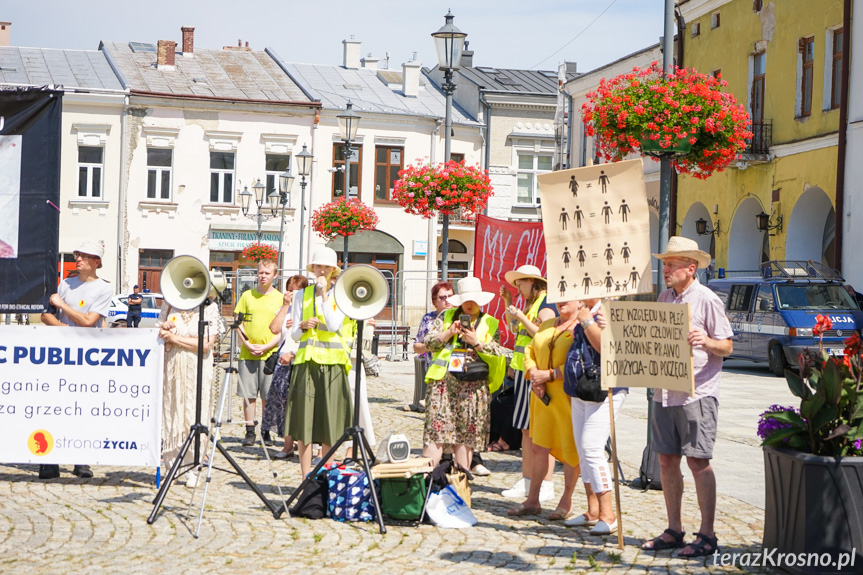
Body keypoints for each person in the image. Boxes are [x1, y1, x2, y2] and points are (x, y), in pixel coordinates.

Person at [641, 236, 733, 558]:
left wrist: (706, 341)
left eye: (671, 264)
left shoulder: (707, 299)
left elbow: (727, 346)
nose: (665, 269)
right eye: (664, 263)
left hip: (698, 394)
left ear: (690, 268)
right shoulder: (664, 297)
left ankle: (707, 534)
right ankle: (674, 529)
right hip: (665, 393)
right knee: (666, 459)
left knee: (698, 461)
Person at [38, 240, 113, 480]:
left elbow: (90, 322)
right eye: (77, 255)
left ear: (96, 262)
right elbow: (46, 317)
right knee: (55, 407)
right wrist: (65, 327)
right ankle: (49, 460)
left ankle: (81, 459)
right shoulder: (65, 284)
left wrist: (62, 308)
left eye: (84, 256)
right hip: (61, 355)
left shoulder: (103, 289)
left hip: (85, 358)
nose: (78, 259)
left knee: (83, 408)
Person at [422, 276, 507, 471]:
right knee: (436, 433)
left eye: (473, 300)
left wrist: (476, 342)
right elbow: (428, 343)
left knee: (466, 437)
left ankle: (461, 486)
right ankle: (427, 483)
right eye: (466, 300)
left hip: (474, 385)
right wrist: (449, 333)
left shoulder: (490, 322)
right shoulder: (445, 317)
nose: (470, 304)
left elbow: (498, 352)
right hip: (444, 383)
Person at [508, 300, 580, 520]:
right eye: (559, 298)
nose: (561, 303)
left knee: (570, 451)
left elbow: (578, 361)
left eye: (567, 299)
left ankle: (566, 501)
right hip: (541, 395)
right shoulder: (548, 323)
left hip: (566, 395)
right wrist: (533, 373)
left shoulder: (580, 327)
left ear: (579, 301)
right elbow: (530, 349)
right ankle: (532, 499)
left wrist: (549, 374)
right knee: (539, 446)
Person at [285, 247, 354, 477]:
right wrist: (302, 326)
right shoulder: (300, 295)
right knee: (305, 423)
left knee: (329, 423)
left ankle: (326, 475)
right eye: (318, 266)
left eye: (326, 267)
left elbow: (334, 325)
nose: (321, 270)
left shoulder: (340, 295)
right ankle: (306, 477)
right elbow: (293, 335)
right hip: (306, 363)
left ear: (333, 270)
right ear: (313, 269)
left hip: (333, 365)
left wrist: (324, 295)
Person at [564, 298, 626, 535]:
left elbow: (606, 348)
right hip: (582, 388)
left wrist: (587, 320)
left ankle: (609, 515)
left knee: (592, 448)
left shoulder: (609, 309)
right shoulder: (586, 308)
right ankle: (593, 510)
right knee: (582, 450)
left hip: (607, 388)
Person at [498, 264, 557, 501]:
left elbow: (544, 335)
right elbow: (516, 329)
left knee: (539, 431)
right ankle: (528, 481)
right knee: (526, 429)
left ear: (530, 281)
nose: (518, 288)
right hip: (525, 371)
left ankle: (545, 484)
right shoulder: (531, 304)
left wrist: (521, 315)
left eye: (519, 284)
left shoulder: (545, 304)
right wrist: (508, 302)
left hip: (537, 374)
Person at [156, 295, 223, 487]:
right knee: (172, 413)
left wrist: (175, 337)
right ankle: (171, 465)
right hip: (173, 368)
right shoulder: (169, 306)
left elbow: (206, 344)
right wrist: (164, 330)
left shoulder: (209, 308)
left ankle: (194, 468)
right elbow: (158, 334)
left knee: (196, 414)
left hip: (197, 370)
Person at [234, 259, 282, 447]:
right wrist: (247, 342)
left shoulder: (279, 298)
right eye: (260, 272)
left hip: (270, 353)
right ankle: (250, 430)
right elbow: (239, 322)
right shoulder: (247, 296)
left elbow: (282, 330)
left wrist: (267, 346)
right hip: (248, 353)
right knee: (248, 394)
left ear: (274, 276)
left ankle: (266, 430)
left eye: (267, 273)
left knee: (268, 395)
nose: (263, 276)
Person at [263, 274, 309, 459]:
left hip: (300, 360)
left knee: (300, 406)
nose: (292, 293)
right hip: (282, 362)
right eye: (290, 289)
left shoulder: (307, 311)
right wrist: (285, 306)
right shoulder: (286, 310)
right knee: (283, 405)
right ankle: (287, 445)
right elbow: (274, 329)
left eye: (297, 290)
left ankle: (303, 445)